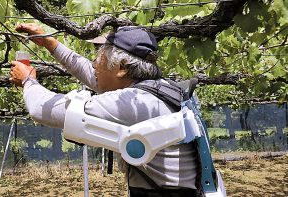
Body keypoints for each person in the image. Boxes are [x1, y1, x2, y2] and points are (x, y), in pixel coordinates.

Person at [10, 23, 199, 197]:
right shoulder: (157, 91)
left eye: (99, 58)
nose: (93, 65)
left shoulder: (128, 103)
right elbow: (90, 74)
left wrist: (28, 81)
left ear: (121, 68)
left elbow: (39, 109)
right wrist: (50, 43)